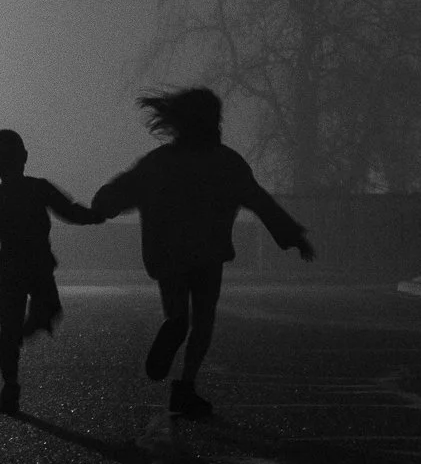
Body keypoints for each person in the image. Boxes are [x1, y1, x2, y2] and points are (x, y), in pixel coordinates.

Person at [90, 86, 315, 418]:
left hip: (167, 254)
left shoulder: (160, 163)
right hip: (208, 253)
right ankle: (187, 386)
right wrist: (292, 235)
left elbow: (124, 189)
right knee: (204, 319)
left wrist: (102, 206)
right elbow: (260, 202)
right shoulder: (227, 163)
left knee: (179, 314)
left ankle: (174, 325)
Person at [0, 128, 99, 415]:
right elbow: (69, 211)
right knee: (50, 310)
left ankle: (10, 384)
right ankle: (27, 329)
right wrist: (95, 215)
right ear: (25, 157)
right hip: (39, 264)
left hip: (10, 269)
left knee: (8, 330)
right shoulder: (39, 188)